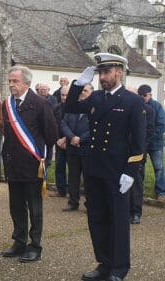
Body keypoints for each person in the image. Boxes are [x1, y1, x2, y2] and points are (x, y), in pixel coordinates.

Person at [64, 53, 146, 281]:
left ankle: (119, 269)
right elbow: (70, 106)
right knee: (97, 218)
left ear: (119, 72)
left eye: (107, 72)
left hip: (118, 173)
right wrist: (78, 84)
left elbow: (139, 141)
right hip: (94, 168)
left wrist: (131, 172)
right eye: (100, 73)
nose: (102, 77)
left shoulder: (132, 101)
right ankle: (104, 263)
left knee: (118, 222)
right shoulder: (96, 97)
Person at [1, 66, 57, 263]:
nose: (10, 84)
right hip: (13, 163)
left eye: (15, 81)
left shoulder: (41, 104)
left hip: (33, 164)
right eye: (9, 81)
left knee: (34, 207)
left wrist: (44, 160)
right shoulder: (7, 104)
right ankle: (19, 241)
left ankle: (35, 245)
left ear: (27, 83)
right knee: (15, 206)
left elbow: (51, 135)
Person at [60, 83, 93, 211]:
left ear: (91, 92)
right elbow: (63, 123)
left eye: (85, 90)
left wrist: (80, 139)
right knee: (73, 176)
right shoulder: (73, 106)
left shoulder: (95, 107)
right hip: (72, 147)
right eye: (81, 90)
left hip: (87, 148)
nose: (82, 92)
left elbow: (95, 127)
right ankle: (73, 201)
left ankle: (90, 204)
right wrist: (72, 137)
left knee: (89, 178)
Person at [127, 86, 154, 224]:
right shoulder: (122, 109)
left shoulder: (147, 110)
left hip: (137, 153)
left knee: (136, 183)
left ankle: (136, 212)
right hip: (122, 152)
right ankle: (124, 211)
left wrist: (140, 151)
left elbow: (148, 133)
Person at [137, 84, 165, 201]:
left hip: (155, 143)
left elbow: (161, 124)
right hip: (141, 143)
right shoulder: (137, 106)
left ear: (150, 94)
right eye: (141, 95)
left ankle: (160, 192)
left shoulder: (157, 106)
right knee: (139, 167)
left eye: (145, 95)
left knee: (158, 167)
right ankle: (139, 190)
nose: (143, 97)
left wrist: (150, 138)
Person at [51, 86, 69, 197]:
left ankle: (72, 192)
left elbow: (75, 126)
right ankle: (61, 190)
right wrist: (57, 140)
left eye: (67, 95)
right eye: (62, 95)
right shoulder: (56, 108)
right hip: (58, 142)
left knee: (73, 170)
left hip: (71, 142)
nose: (64, 97)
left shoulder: (75, 108)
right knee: (59, 167)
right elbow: (53, 125)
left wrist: (66, 139)